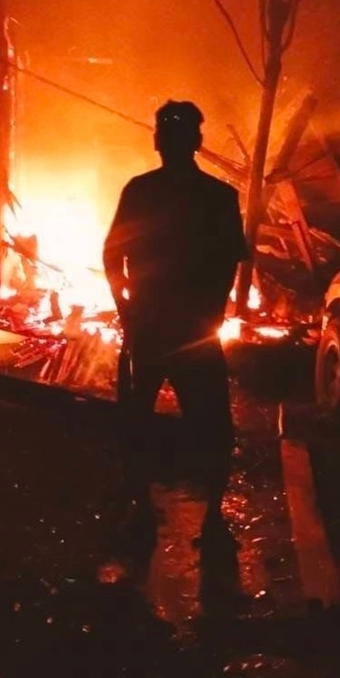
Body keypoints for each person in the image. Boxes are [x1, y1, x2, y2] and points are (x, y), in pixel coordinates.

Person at [103, 100, 248, 554]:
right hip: (188, 330)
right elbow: (231, 263)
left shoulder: (142, 191)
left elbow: (112, 256)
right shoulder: (218, 197)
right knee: (210, 425)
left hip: (152, 327)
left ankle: (145, 511)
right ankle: (212, 517)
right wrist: (214, 312)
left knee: (138, 420)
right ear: (197, 142)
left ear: (159, 141)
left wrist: (126, 308)